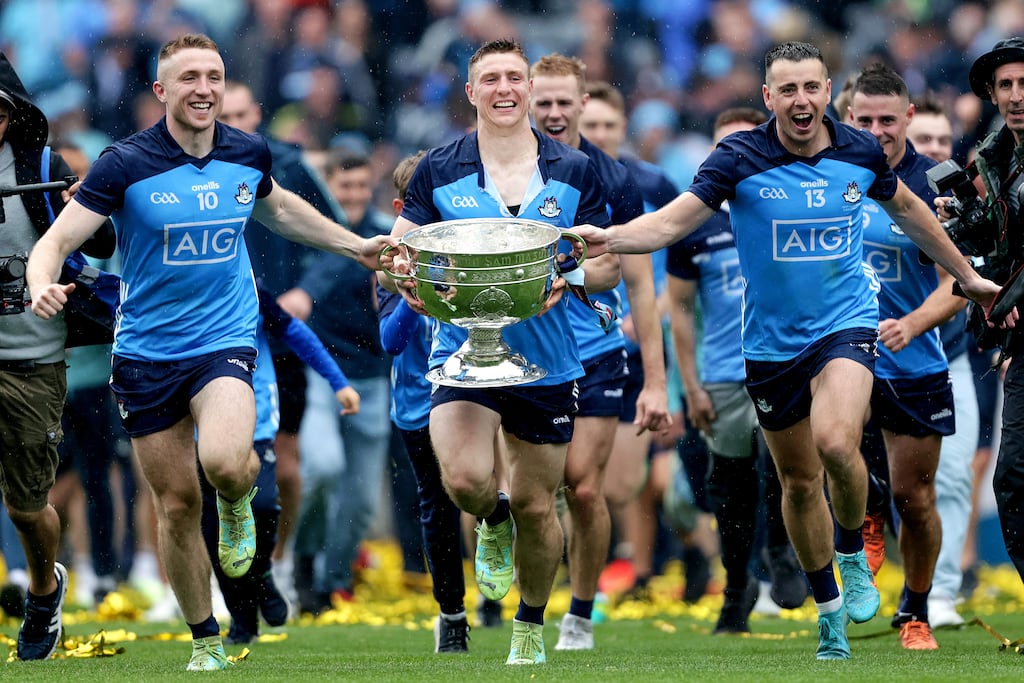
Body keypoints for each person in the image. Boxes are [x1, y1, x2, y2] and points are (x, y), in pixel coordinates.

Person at [571, 41, 1008, 661]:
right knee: (799, 483)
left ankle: (852, 549)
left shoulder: (858, 150)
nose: (801, 100)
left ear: (828, 92)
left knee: (836, 442)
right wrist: (610, 236)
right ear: (769, 97)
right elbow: (672, 223)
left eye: (811, 87)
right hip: (772, 344)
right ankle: (829, 610)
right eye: (788, 90)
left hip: (847, 324)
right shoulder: (738, 157)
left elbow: (910, 212)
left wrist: (967, 276)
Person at [25, 33, 392, 671]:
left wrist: (354, 245)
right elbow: (54, 243)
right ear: (162, 91)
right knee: (175, 506)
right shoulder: (124, 163)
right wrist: (40, 287)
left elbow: (284, 213)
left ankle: (237, 502)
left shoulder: (248, 150)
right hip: (143, 354)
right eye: (189, 77)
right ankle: (204, 640)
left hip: (224, 340)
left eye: (214, 76)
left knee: (226, 463)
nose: (204, 88)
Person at [382, 38, 613, 666]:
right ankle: (491, 517)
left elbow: (609, 260)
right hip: (461, 352)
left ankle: (530, 627)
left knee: (542, 504)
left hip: (547, 358)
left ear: (531, 89)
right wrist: (415, 287)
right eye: (491, 79)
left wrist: (575, 279)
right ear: (471, 93)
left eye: (515, 76)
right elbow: (396, 259)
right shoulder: (438, 167)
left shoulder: (575, 169)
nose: (505, 89)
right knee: (464, 482)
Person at [528, 53, 671, 652]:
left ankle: (579, 615)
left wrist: (656, 384)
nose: (555, 113)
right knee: (522, 495)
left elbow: (639, 283)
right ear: (527, 103)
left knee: (584, 489)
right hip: (524, 356)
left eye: (566, 101)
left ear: (585, 103)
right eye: (545, 102)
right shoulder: (501, 170)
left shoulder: (615, 179)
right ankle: (521, 603)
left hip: (595, 351)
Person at [667, 106, 810, 634]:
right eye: (722, 146)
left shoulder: (787, 206)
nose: (733, 156)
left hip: (782, 362)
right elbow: (678, 310)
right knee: (729, 486)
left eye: (742, 143)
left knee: (783, 468)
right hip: (724, 373)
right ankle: (736, 588)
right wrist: (690, 384)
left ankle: (782, 554)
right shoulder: (695, 222)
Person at [847, 63, 966, 650]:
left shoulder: (935, 187)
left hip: (914, 358)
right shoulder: (829, 175)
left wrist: (913, 323)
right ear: (848, 117)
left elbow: (959, 280)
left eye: (886, 120)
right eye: (864, 119)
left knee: (914, 498)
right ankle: (864, 512)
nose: (875, 131)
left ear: (908, 118)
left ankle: (915, 609)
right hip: (842, 351)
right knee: (829, 454)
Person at [0, 50, 113, 661]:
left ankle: (44, 588)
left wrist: (81, 201)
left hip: (33, 360)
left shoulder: (41, 165)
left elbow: (103, 240)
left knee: (26, 508)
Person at [218, 80, 346, 601]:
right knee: (218, 463)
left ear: (258, 114)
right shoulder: (186, 170)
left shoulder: (287, 166)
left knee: (287, 466)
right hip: (216, 333)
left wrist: (306, 293)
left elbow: (334, 234)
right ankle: (224, 568)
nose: (233, 123)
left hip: (279, 335)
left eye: (241, 113)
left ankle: (279, 561)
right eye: (225, 115)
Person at [199, 283, 359, 644]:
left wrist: (338, 382)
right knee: (216, 523)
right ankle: (242, 619)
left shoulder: (251, 291)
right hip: (202, 423)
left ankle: (262, 572)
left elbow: (297, 333)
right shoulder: (179, 290)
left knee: (264, 502)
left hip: (258, 419)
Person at [279, 148, 394, 612]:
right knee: (322, 467)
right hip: (319, 370)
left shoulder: (388, 237)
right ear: (327, 187)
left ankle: (331, 583)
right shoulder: (310, 233)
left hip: (372, 374)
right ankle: (301, 562)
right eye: (344, 187)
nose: (354, 195)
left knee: (363, 498)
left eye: (362, 187)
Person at [377, 149, 474, 653]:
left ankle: (509, 606)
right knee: (438, 507)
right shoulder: (391, 267)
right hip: (418, 404)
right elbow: (390, 341)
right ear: (404, 209)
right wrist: (419, 293)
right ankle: (452, 614)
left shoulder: (474, 251)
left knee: (493, 495)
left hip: (479, 394)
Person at [904, 95, 979, 629]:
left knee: (950, 478)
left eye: (941, 141)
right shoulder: (876, 189)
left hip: (951, 353)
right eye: (922, 140)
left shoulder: (964, 198)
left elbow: (972, 275)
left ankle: (941, 593)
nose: (932, 150)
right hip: (871, 356)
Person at [962, 36, 1024, 595]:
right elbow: (1002, 247)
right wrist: (963, 225)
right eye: (1005, 85)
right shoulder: (993, 156)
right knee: (1014, 477)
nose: (1015, 95)